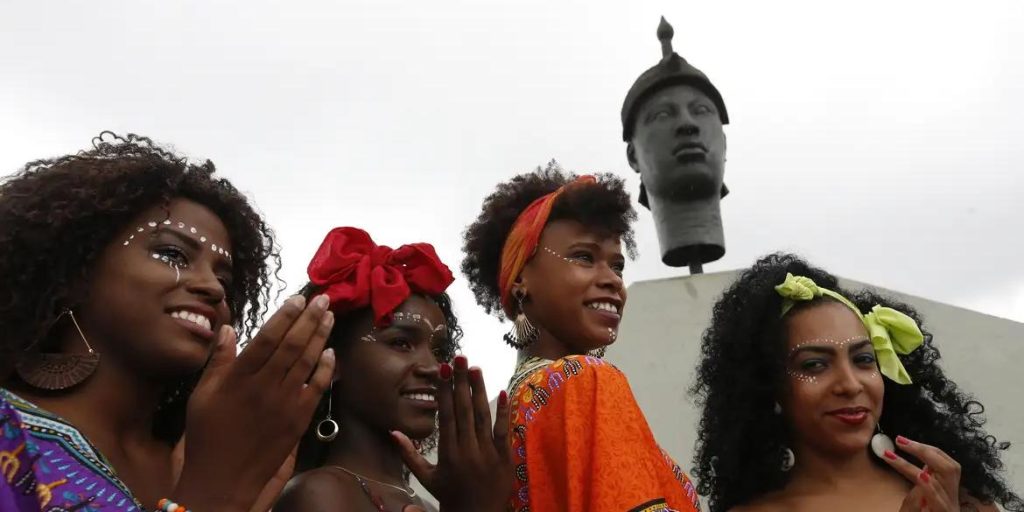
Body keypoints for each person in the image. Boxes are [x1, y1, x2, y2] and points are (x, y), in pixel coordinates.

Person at [0, 132, 334, 511]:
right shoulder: (7, 430)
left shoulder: (210, 457)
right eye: (173, 254)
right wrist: (212, 494)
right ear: (75, 272)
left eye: (225, 280)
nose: (212, 287)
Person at [691, 253, 1023, 512]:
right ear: (769, 386)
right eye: (815, 365)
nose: (850, 385)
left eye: (864, 359)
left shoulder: (952, 495)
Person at [460, 162, 702, 512]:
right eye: (584, 257)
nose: (612, 280)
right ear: (520, 280)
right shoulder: (588, 380)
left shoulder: (510, 412)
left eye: (617, 265)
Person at [276, 227, 512, 512]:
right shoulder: (318, 495)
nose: (434, 368)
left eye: (439, 351)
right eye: (401, 343)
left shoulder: (424, 502)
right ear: (331, 361)